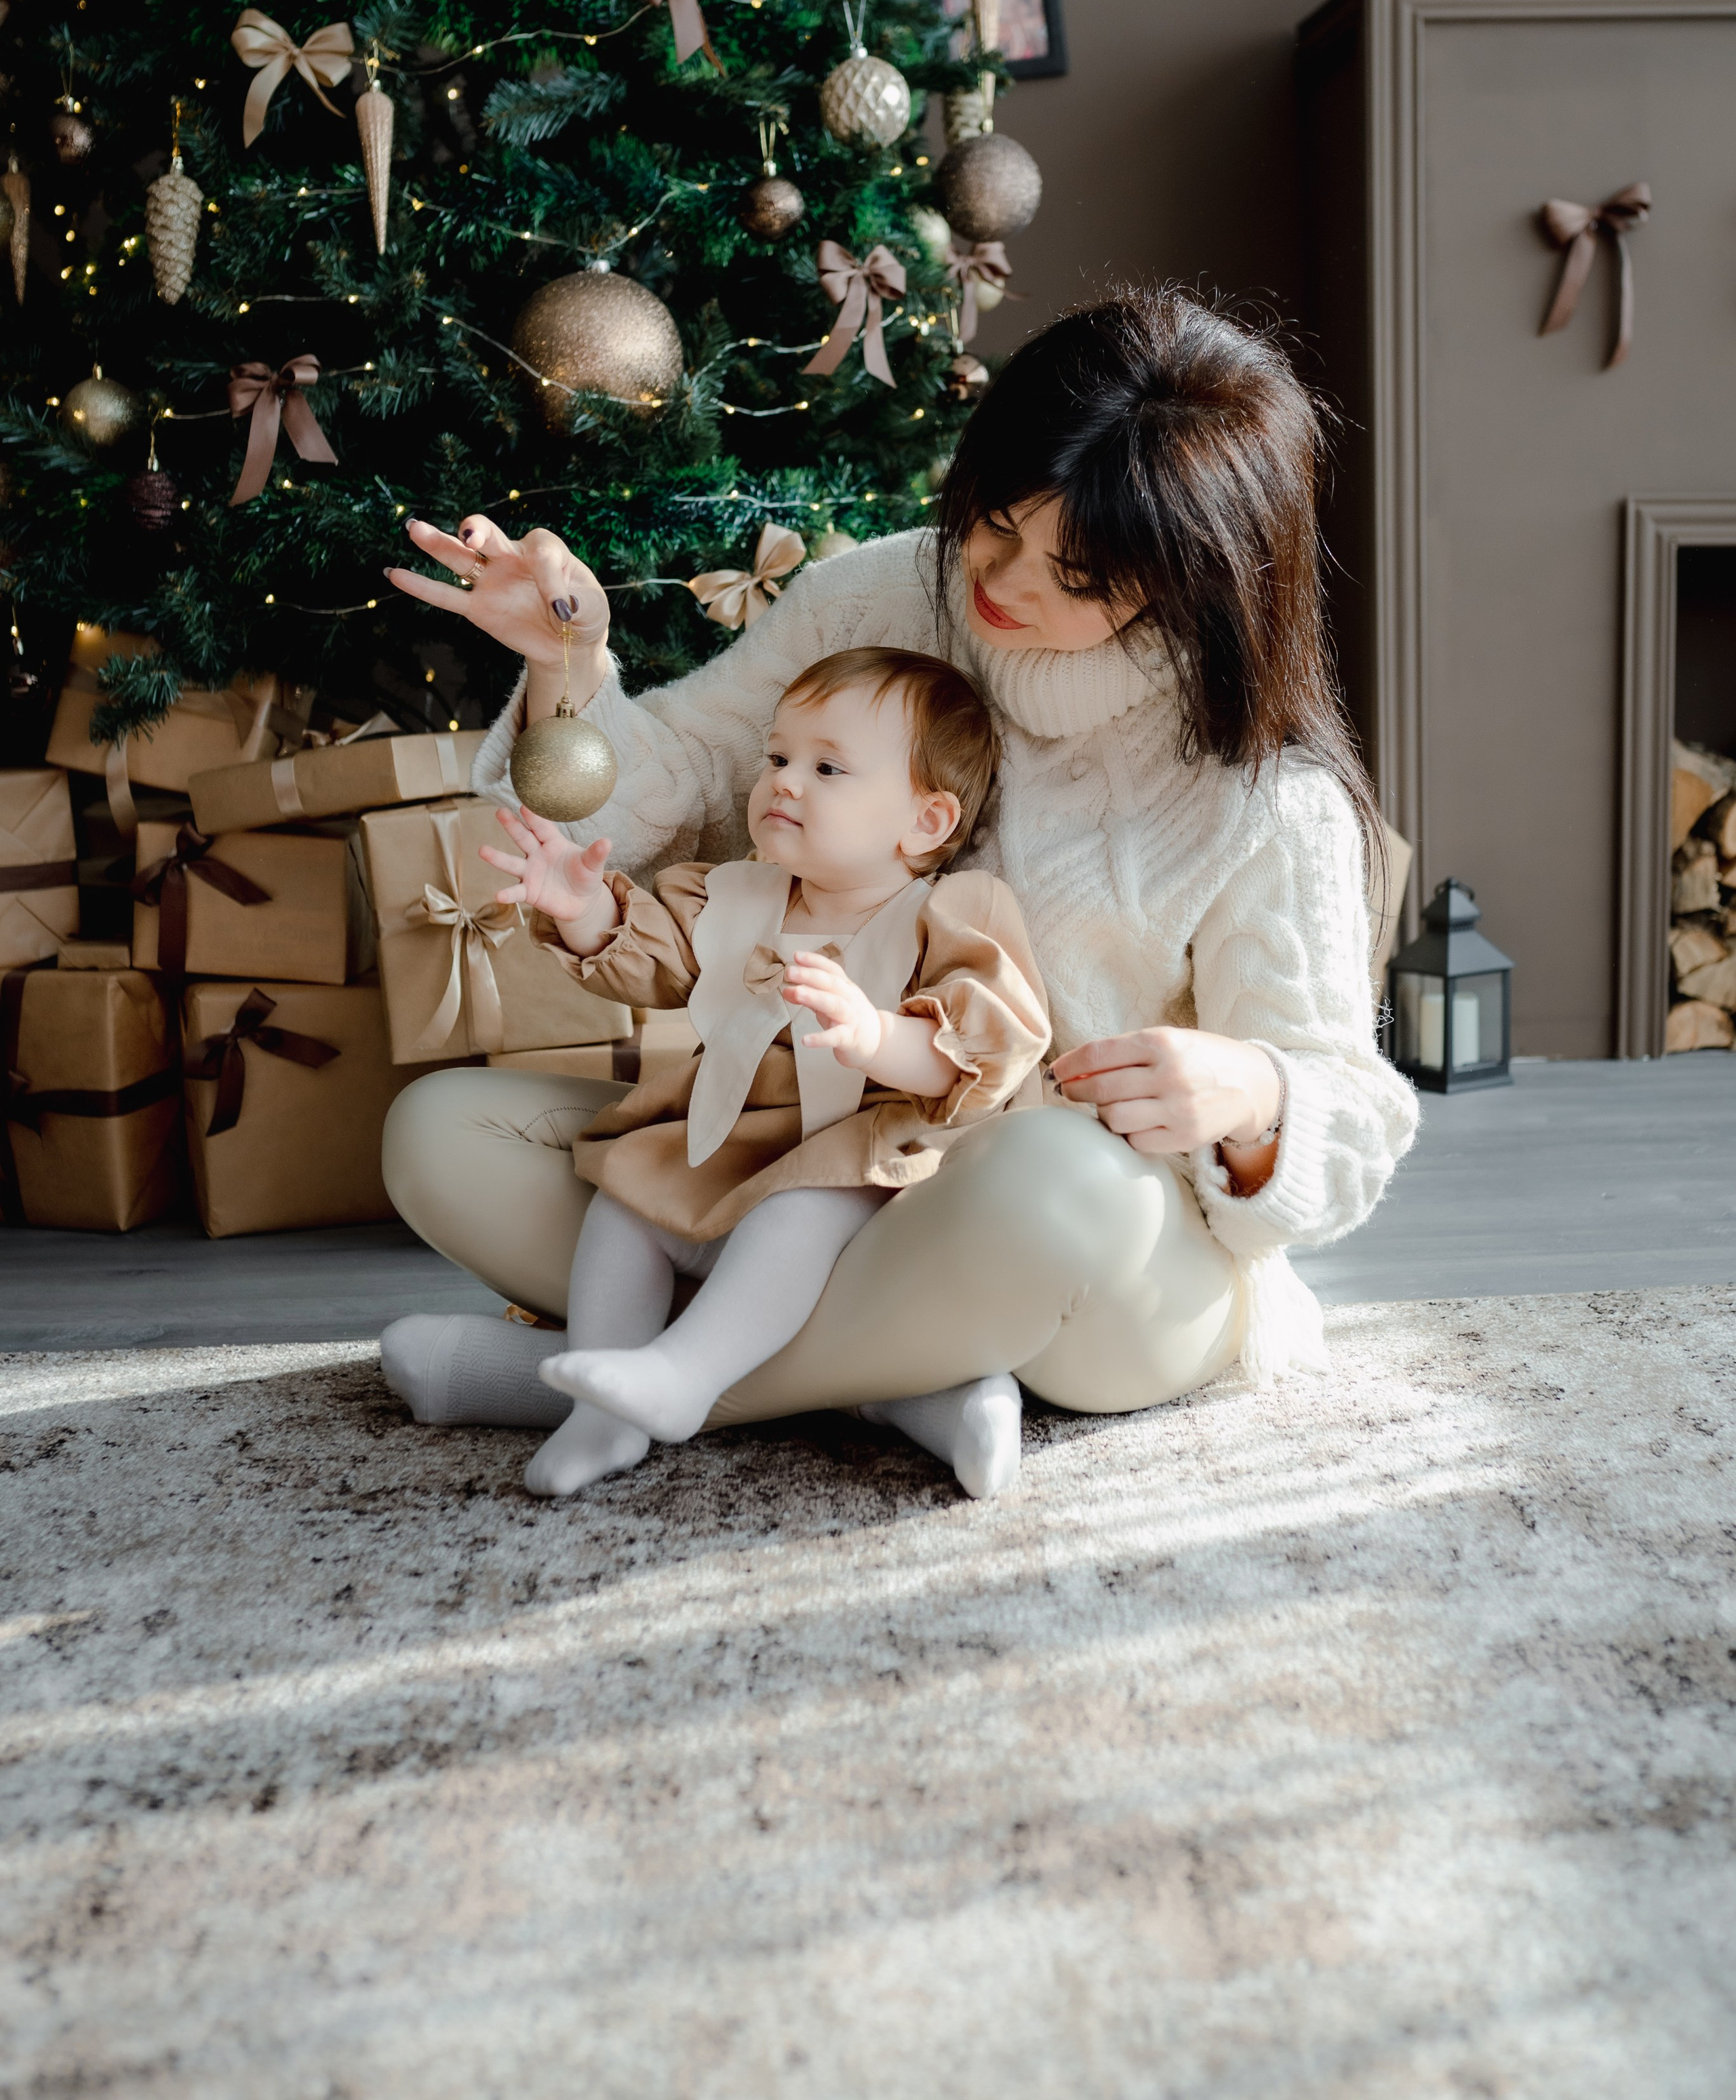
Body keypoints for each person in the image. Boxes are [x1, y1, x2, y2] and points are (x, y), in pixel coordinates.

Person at [378, 285, 1419, 1481]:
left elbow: (1352, 1128)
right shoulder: (878, 597)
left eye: (1075, 575)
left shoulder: (1266, 799)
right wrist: (567, 666)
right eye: (995, 517)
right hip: (812, 1173)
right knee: (439, 1135)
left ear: (1188, 582)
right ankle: (890, 1385)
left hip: (1099, 1258)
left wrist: (1256, 1099)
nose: (1002, 579)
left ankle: (614, 1382)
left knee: (1051, 1176)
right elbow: (649, 792)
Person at [479, 646, 1047, 1500]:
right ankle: (607, 1409)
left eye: (827, 768)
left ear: (926, 823)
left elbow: (991, 1045)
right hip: (743, 1148)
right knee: (626, 1201)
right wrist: (586, 907)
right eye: (777, 758)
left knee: (806, 1208)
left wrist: (875, 1033)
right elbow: (659, 960)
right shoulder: (735, 896)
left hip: (888, 1178)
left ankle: (686, 1375)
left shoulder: (952, 911)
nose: (785, 782)